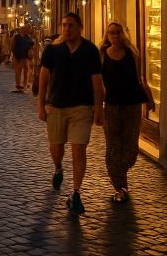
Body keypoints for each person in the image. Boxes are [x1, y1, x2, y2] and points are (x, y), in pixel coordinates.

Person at [37, 12, 104, 216]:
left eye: (71, 25)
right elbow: (43, 77)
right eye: (64, 25)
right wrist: (41, 104)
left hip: (82, 108)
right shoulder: (53, 49)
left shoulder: (90, 50)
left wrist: (98, 108)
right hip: (56, 106)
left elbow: (97, 81)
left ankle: (76, 193)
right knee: (56, 147)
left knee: (78, 150)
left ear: (80, 27)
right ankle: (58, 168)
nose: (67, 29)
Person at [99, 21, 154, 203]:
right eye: (111, 33)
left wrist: (150, 98)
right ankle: (120, 187)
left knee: (131, 149)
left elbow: (140, 79)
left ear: (123, 34)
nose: (114, 36)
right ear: (107, 35)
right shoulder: (102, 55)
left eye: (117, 32)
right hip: (112, 106)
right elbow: (97, 83)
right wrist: (97, 106)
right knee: (113, 147)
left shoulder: (132, 54)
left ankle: (119, 172)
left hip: (132, 105)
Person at [12, 25, 34, 92]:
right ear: (25, 29)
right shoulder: (17, 36)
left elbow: (32, 44)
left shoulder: (28, 36)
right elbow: (12, 45)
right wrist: (14, 54)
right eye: (29, 29)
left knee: (26, 70)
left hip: (26, 56)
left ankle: (25, 84)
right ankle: (18, 84)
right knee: (18, 70)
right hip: (18, 55)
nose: (30, 30)